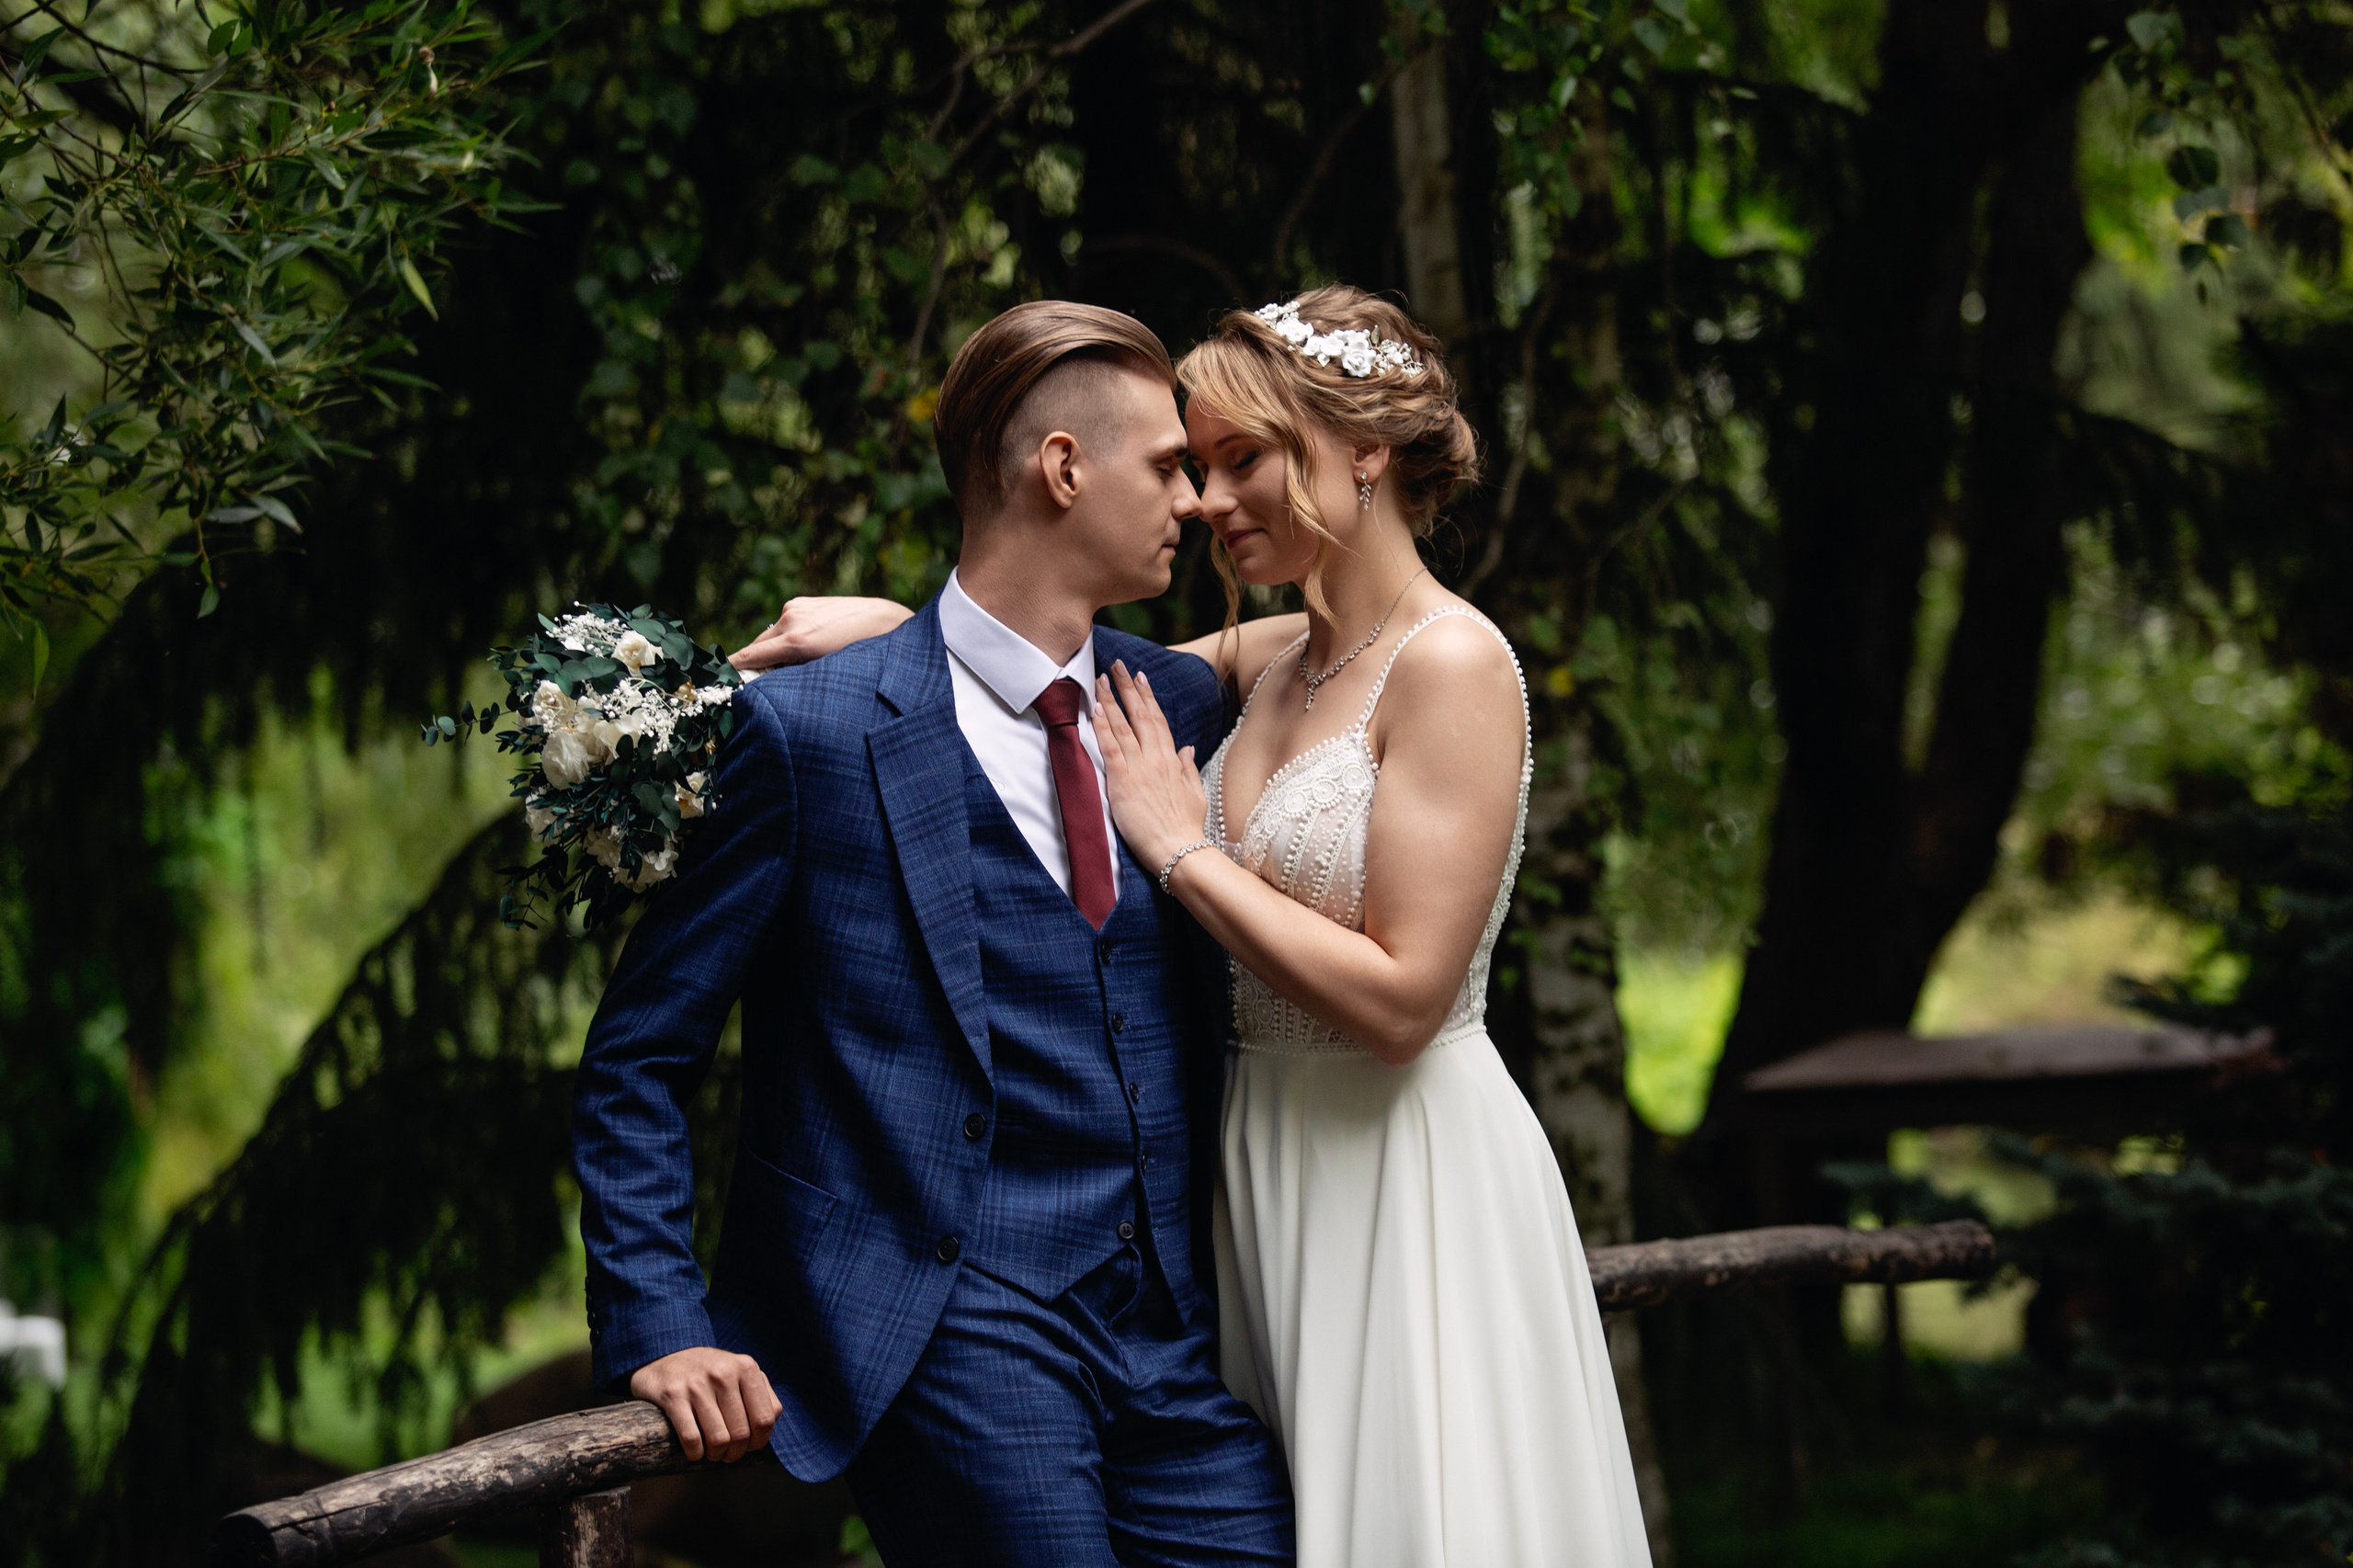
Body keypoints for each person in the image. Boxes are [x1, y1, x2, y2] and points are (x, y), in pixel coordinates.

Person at [746, 286, 1652, 1566]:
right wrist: (896, 629)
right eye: (1196, 465)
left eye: (1243, 460)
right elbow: (1032, 652)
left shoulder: (1452, 663)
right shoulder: (1272, 662)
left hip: (1399, 1171)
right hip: (1256, 1183)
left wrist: (1180, 851)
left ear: (1366, 449)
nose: (1210, 503)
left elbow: (1403, 999)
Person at [573, 299, 1293, 1568]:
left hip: (1168, 1337)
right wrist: (655, 1320)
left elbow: (1367, 633)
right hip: (955, 1327)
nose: (1196, 504)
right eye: (1171, 466)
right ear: (1063, 469)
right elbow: (641, 1052)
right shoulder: (810, 734)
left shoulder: (1171, 697)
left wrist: (912, 628)